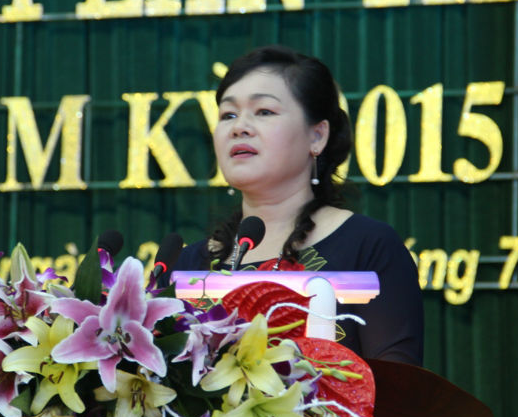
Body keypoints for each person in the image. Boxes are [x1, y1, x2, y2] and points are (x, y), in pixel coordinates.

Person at [172, 46, 423, 366]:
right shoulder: (188, 263)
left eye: (264, 111)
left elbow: (397, 386)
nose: (239, 127)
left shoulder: (369, 247)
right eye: (228, 115)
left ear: (317, 136)